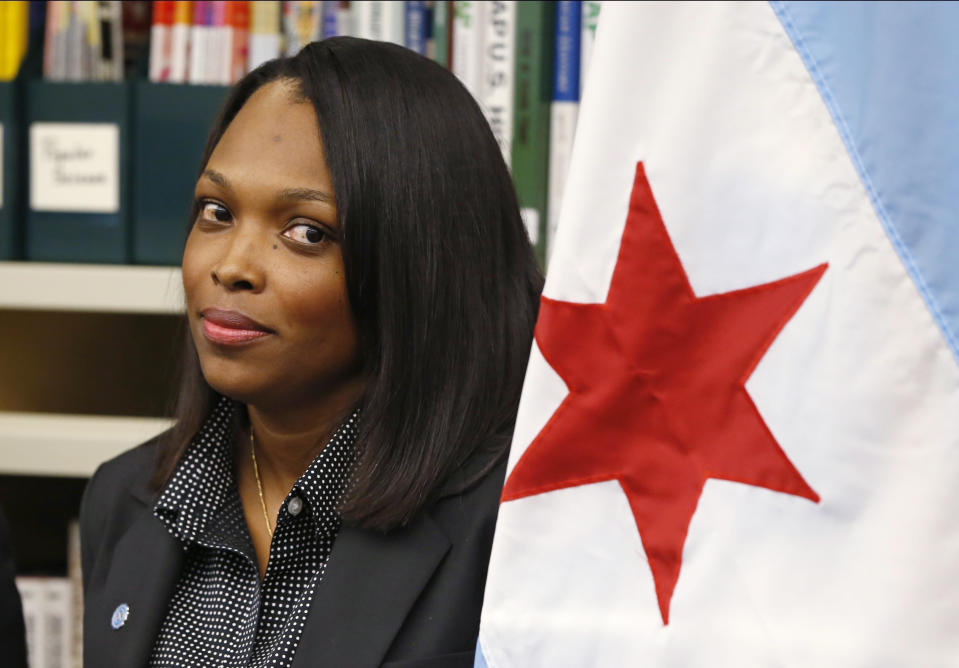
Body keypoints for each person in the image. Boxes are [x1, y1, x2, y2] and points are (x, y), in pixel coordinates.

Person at [79, 37, 542, 668]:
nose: (232, 266)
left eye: (306, 233)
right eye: (216, 211)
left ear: (420, 266)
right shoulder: (123, 497)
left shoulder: (523, 518)